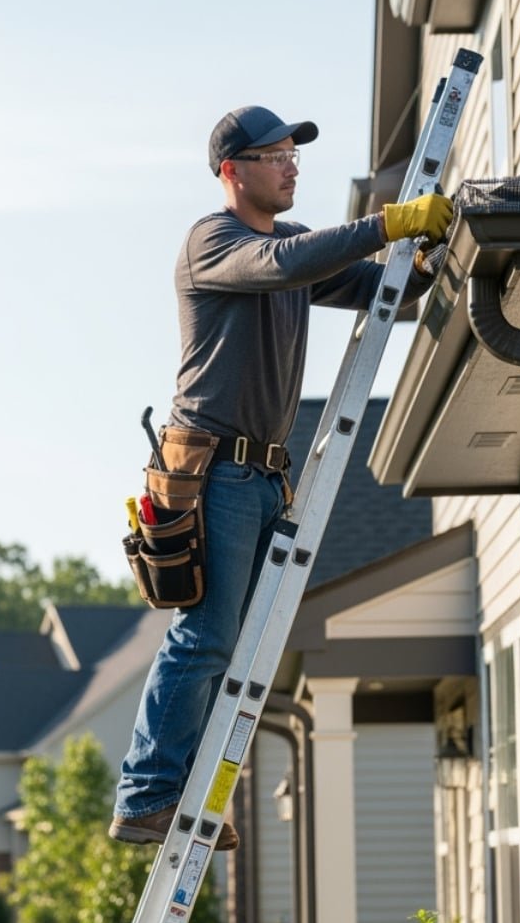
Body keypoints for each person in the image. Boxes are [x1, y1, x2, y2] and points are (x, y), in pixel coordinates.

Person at [108, 105, 453, 850]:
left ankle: (186, 795)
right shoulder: (214, 242)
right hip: (211, 472)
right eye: (275, 156)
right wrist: (389, 223)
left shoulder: (290, 245)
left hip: (263, 474)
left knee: (237, 651)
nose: (292, 165)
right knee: (204, 637)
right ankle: (146, 794)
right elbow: (281, 267)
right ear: (233, 171)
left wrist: (422, 262)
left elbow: (380, 290)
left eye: (295, 154)